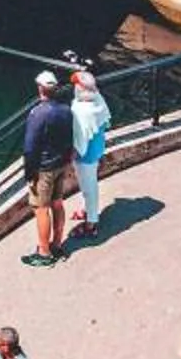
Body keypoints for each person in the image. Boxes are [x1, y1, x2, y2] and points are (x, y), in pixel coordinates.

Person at [21, 71, 77, 266]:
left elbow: (30, 147)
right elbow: (71, 137)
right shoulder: (66, 110)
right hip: (61, 163)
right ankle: (57, 243)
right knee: (58, 203)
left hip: (43, 168)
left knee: (41, 209)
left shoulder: (38, 113)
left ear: (40, 89)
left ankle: (44, 252)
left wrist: (29, 172)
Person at [68, 64, 111, 236]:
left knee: (88, 186)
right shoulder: (98, 100)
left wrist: (72, 155)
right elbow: (106, 121)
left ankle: (91, 223)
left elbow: (80, 139)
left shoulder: (81, 110)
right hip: (97, 147)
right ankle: (87, 212)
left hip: (85, 155)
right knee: (89, 185)